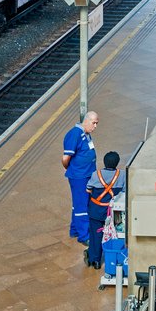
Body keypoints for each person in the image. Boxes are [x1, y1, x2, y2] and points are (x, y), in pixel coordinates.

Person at [61, 111, 99, 244]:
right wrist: (72, 169)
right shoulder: (75, 134)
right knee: (82, 205)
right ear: (87, 121)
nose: (95, 126)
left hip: (86, 174)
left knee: (78, 203)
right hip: (79, 177)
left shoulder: (86, 134)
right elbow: (65, 158)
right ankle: (84, 236)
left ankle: (75, 230)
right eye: (94, 123)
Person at [84, 150, 122, 269]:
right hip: (111, 212)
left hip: (96, 210)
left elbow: (88, 189)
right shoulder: (122, 175)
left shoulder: (96, 174)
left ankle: (94, 261)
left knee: (96, 235)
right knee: (113, 234)